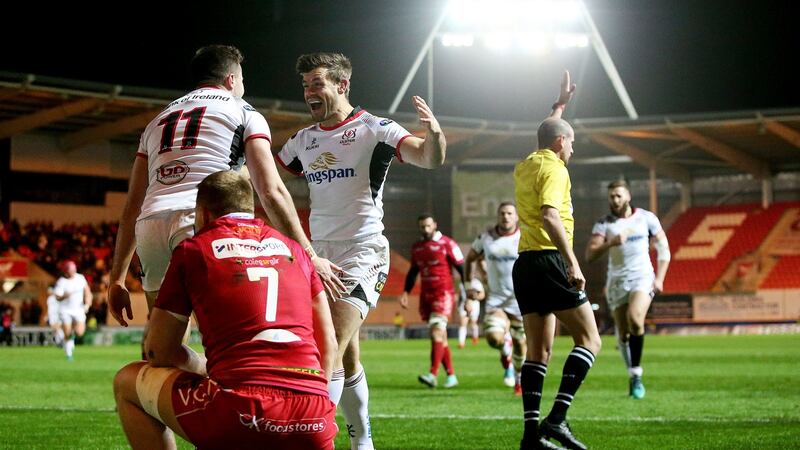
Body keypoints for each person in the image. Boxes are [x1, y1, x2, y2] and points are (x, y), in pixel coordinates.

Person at [276, 52, 446, 450]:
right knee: (347, 355)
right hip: (318, 255)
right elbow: (268, 176)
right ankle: (363, 441)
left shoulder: (375, 128)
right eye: (305, 86)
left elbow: (427, 157)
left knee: (328, 341)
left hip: (363, 252)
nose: (309, 93)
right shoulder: (304, 140)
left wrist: (435, 135)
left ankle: (309, 438)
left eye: (317, 84)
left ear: (342, 85)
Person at [107, 45, 331, 330]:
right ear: (231, 80)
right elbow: (271, 190)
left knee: (166, 345)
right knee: (225, 337)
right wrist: (310, 256)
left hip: (151, 225)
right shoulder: (244, 112)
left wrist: (116, 279)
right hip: (203, 221)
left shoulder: (157, 121)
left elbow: (132, 206)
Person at [113, 170, 338, 450]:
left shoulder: (192, 251)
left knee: (126, 382)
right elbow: (327, 342)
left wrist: (205, 369)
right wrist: (314, 410)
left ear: (204, 214)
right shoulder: (296, 250)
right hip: (314, 417)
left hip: (242, 413)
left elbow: (159, 351)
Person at [512, 71, 602, 450]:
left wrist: (559, 104)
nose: (573, 150)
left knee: (538, 351)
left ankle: (531, 436)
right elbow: (551, 215)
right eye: (572, 143)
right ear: (561, 142)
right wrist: (573, 263)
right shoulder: (555, 169)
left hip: (526, 265)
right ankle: (558, 419)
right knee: (591, 339)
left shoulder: (528, 162)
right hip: (550, 260)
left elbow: (547, 131)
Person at [585, 179, 670, 399]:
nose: (615, 200)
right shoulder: (604, 224)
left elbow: (664, 249)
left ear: (628, 196)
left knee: (635, 319)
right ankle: (631, 375)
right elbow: (590, 254)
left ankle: (636, 373)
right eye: (612, 196)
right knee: (622, 333)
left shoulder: (646, 218)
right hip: (616, 281)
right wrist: (609, 244)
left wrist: (659, 278)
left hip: (642, 277)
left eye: (618, 195)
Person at [465, 202, 526, 395]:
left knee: (520, 343)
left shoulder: (524, 237)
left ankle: (518, 378)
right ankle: (504, 349)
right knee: (492, 338)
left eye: (509, 213)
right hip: (497, 299)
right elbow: (470, 259)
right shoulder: (486, 238)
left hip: (520, 299)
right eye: (502, 213)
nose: (506, 217)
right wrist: (470, 286)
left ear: (516, 217)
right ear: (497, 216)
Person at [400, 214, 465, 389]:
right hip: (426, 295)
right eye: (422, 227)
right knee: (439, 337)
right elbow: (413, 272)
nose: (426, 229)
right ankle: (451, 375)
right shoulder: (417, 247)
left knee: (436, 332)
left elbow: (461, 267)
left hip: (443, 294)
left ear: (435, 225)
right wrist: (406, 291)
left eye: (428, 226)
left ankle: (432, 374)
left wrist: (466, 292)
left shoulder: (447, 243)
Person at [53, 260, 92, 360]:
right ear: (66, 271)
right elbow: (57, 297)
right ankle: (68, 353)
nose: (73, 272)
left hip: (78, 309)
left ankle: (70, 339)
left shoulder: (80, 278)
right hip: (65, 310)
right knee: (67, 332)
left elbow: (87, 292)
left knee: (80, 332)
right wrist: (65, 296)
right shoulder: (62, 281)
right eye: (71, 270)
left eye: (74, 269)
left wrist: (87, 304)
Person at [457, 278, 481, 348]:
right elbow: (460, 295)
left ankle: (475, 338)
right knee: (462, 323)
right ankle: (461, 343)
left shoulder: (477, 282)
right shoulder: (462, 282)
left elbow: (481, 294)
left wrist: (473, 297)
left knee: (473, 323)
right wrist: (458, 305)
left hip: (474, 304)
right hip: (464, 303)